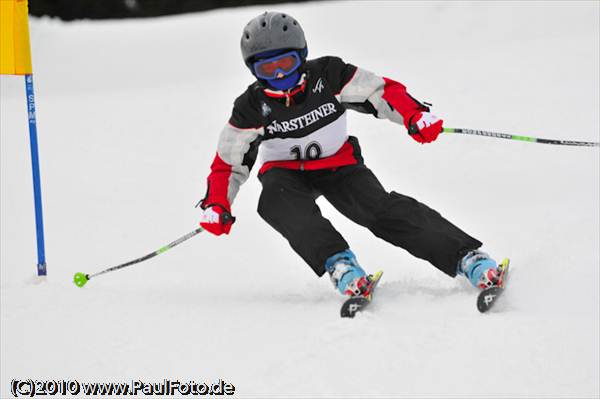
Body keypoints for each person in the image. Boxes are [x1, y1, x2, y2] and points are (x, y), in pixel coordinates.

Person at [198, 11, 504, 297]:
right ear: (252, 69)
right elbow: (228, 162)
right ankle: (340, 264)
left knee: (378, 210)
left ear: (301, 56)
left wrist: (414, 116)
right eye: (266, 68)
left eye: (286, 63)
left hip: (339, 165)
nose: (278, 74)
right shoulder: (250, 106)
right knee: (276, 203)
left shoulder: (329, 75)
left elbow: (379, 92)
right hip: (286, 173)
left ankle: (467, 257)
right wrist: (217, 203)